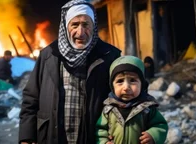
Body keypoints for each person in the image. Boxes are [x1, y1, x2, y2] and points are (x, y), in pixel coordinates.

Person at [19, 0, 121, 144]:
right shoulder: (48, 55)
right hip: (51, 136)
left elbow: (124, 97)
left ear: (94, 26)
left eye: (86, 24)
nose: (80, 32)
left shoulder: (110, 55)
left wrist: (116, 133)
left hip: (95, 138)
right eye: (75, 25)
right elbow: (31, 98)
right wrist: (27, 137)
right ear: (66, 27)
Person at [96, 56, 168, 144]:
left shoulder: (147, 108)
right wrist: (104, 142)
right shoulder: (108, 109)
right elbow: (100, 130)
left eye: (132, 80)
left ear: (142, 84)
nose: (126, 87)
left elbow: (160, 125)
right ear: (112, 86)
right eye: (120, 81)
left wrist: (153, 135)